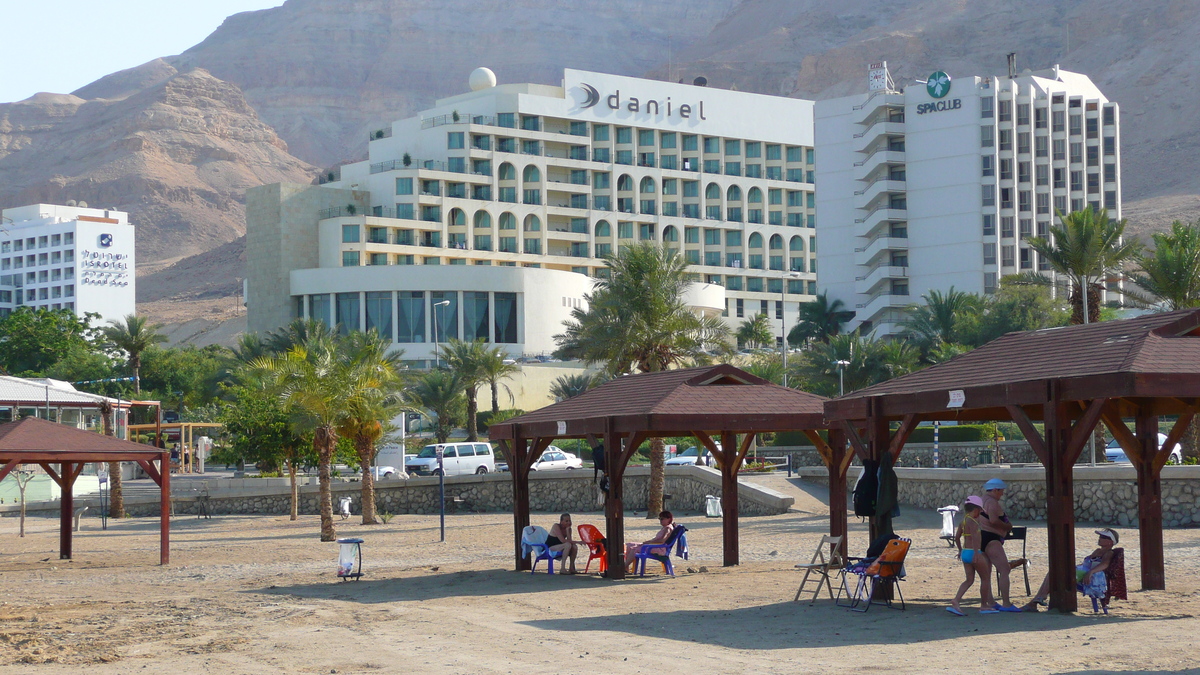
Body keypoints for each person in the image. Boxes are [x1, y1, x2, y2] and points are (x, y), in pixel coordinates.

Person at [1022, 528, 1119, 610]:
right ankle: (1039, 598)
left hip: (1089, 577)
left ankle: (1039, 599)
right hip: (1082, 572)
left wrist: (1090, 572)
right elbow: (1085, 563)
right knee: (1054, 572)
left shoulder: (1109, 553)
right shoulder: (1098, 551)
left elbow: (1105, 564)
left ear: (1110, 542)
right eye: (1100, 536)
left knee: (1056, 574)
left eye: (1103, 537)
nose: (1100, 538)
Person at [949, 496, 998, 616]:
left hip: (965, 552)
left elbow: (956, 538)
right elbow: (976, 538)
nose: (980, 513)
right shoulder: (974, 522)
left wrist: (960, 550)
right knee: (985, 579)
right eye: (980, 510)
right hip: (973, 552)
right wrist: (977, 553)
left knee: (969, 580)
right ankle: (984, 605)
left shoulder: (964, 521)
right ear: (975, 509)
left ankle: (956, 600)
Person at [979, 478, 1021, 612]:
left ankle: (990, 601)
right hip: (991, 537)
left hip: (981, 537)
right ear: (995, 490)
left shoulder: (981, 500)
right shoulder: (992, 502)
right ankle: (1006, 603)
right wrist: (1007, 526)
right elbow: (993, 520)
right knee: (1004, 569)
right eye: (1001, 491)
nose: (1002, 494)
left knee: (987, 573)